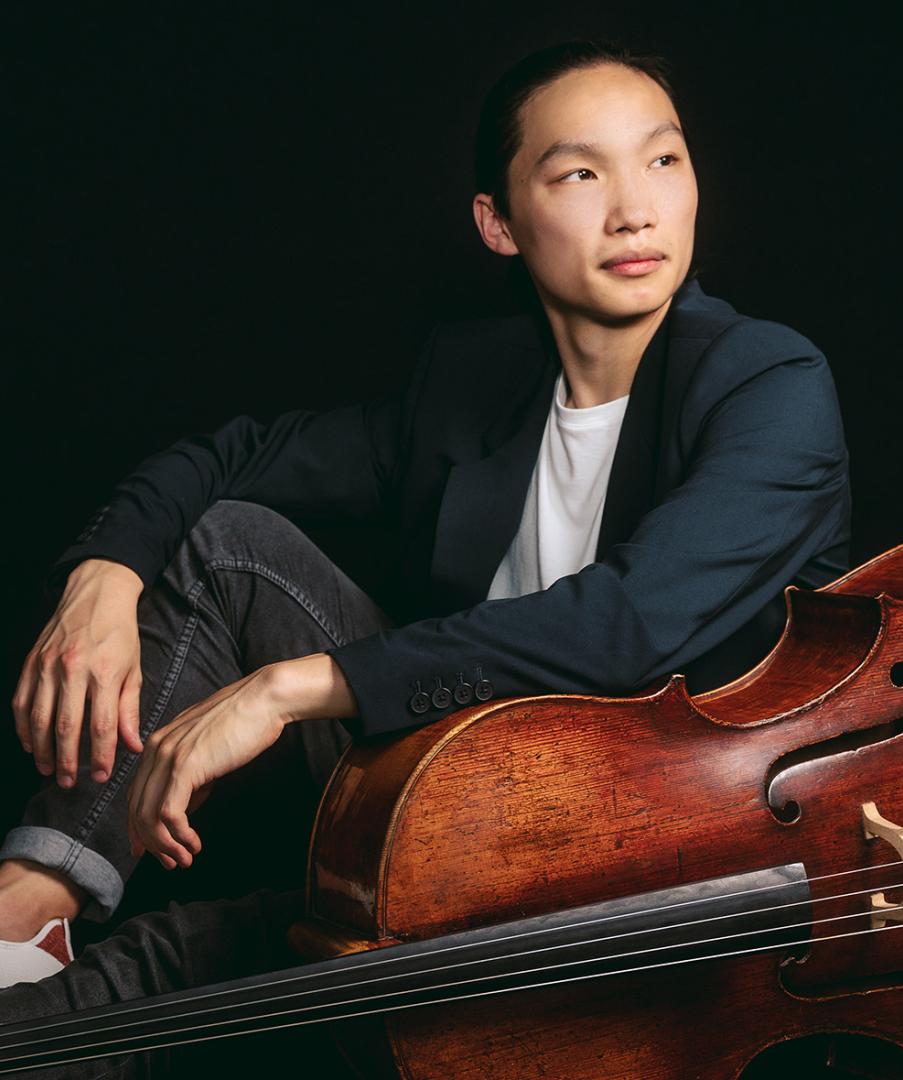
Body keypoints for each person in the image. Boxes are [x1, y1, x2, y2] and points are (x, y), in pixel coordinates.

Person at [0, 38, 851, 1075]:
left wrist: (281, 690)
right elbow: (232, 461)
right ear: (498, 222)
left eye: (661, 160)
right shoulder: (473, 385)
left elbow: (626, 626)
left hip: (650, 847)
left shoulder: (765, 380)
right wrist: (103, 575)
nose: (635, 209)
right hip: (448, 798)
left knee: (170, 967)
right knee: (229, 544)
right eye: (580, 172)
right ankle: (33, 904)